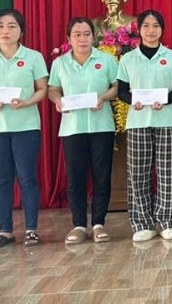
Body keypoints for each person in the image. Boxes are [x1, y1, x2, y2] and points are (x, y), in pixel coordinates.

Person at [0, 8, 49, 248]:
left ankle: (31, 229)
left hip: (26, 125)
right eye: (0, 26)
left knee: (27, 178)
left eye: (12, 26)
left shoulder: (33, 57)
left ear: (21, 31)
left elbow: (43, 89)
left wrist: (26, 102)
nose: (6, 31)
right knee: (1, 180)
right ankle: (5, 230)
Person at [47, 17, 119, 244]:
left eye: (86, 33)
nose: (82, 38)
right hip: (72, 127)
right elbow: (52, 89)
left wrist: (103, 97)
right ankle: (78, 224)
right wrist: (58, 101)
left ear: (93, 36)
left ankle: (98, 223)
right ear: (69, 38)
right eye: (77, 34)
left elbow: (117, 87)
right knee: (75, 178)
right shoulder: (60, 63)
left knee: (102, 176)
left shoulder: (106, 60)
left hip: (102, 126)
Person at [116, 9, 172, 242]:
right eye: (146, 26)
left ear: (162, 29)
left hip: (166, 121)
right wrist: (133, 102)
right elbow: (122, 91)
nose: (151, 30)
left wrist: (164, 100)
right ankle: (142, 223)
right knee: (138, 174)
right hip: (137, 123)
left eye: (155, 26)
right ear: (138, 29)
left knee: (167, 172)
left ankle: (168, 221)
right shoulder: (127, 59)